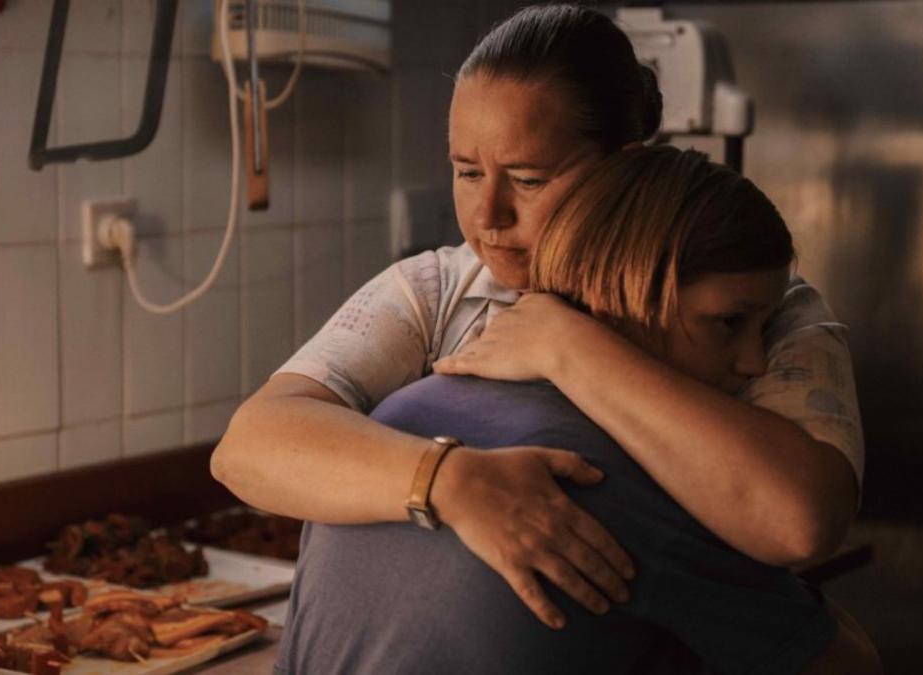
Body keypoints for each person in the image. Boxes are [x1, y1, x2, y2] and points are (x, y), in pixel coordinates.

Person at [212, 2, 863, 635]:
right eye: (468, 171)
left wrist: (566, 345)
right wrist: (451, 480)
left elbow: (800, 523)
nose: (488, 213)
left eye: (526, 178)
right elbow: (249, 447)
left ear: (630, 166)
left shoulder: (755, 310)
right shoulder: (435, 289)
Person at [275, 145, 877, 675]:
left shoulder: (388, 419)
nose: (752, 363)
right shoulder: (621, 475)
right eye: (729, 323)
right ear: (630, 289)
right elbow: (847, 666)